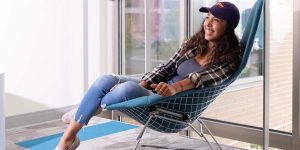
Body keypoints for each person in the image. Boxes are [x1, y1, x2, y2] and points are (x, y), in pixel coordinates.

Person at [55, 1, 241, 150]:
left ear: (228, 27)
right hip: (154, 91)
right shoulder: (194, 45)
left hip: (170, 104)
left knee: (126, 88)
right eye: (207, 17)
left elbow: (202, 78)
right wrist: (144, 84)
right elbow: (167, 68)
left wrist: (173, 88)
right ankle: (68, 139)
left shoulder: (229, 59)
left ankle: (84, 111)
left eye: (216, 20)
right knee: (106, 79)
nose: (208, 23)